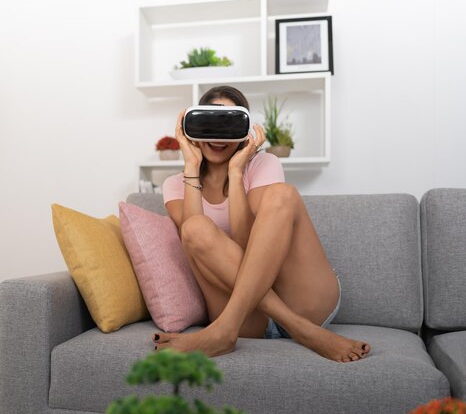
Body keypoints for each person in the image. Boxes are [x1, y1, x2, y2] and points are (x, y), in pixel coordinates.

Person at [153, 86, 370, 363]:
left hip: (301, 298)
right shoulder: (174, 185)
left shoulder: (263, 163)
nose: (219, 136)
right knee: (194, 228)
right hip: (247, 318)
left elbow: (246, 242)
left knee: (282, 194)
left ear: (244, 130)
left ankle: (231, 330)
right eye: (211, 123)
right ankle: (300, 330)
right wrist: (191, 167)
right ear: (193, 128)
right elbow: (192, 239)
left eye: (229, 124)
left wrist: (236, 170)